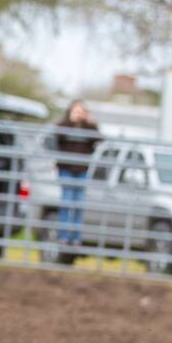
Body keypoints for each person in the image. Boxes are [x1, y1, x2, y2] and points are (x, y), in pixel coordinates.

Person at [54, 100, 102, 245]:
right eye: (76, 111)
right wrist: (71, 121)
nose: (79, 114)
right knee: (67, 201)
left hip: (82, 170)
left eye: (81, 112)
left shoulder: (88, 127)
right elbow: (56, 135)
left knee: (79, 204)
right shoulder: (64, 125)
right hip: (66, 169)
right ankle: (63, 236)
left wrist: (90, 122)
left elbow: (99, 138)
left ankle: (75, 238)